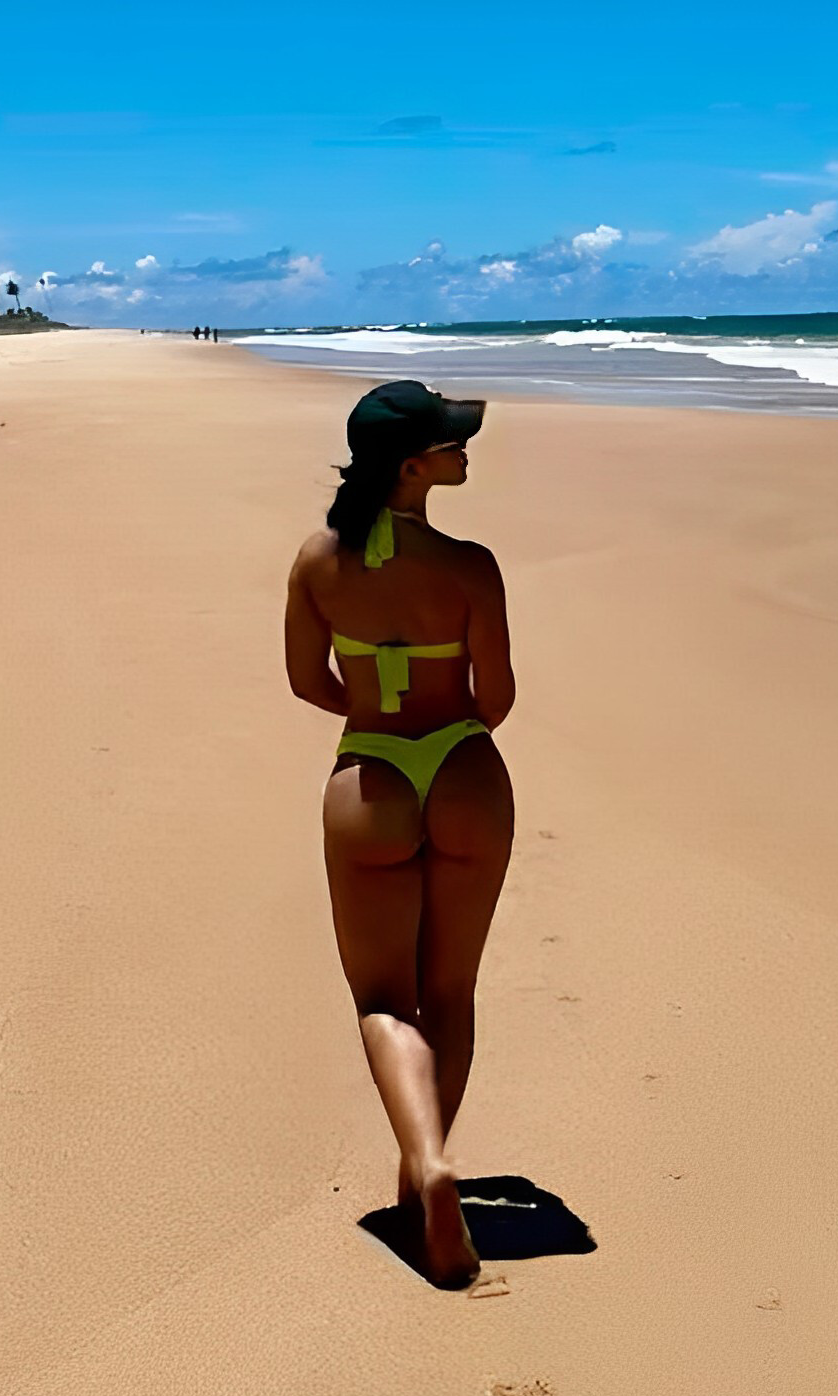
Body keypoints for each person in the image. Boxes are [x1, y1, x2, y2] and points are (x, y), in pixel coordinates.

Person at [284, 381, 516, 1288]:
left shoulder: (317, 561)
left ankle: (428, 1166)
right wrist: (446, 722)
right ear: (413, 469)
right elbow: (496, 698)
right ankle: (425, 1171)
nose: (464, 451)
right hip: (463, 769)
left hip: (371, 778)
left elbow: (307, 681)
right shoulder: (471, 567)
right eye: (450, 443)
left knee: (384, 1001)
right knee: (450, 990)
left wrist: (374, 710)